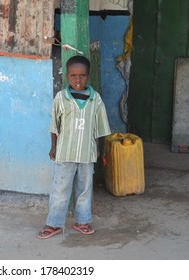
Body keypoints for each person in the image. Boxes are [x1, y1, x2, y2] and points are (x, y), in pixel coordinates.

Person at [37, 55, 111, 239]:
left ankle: (83, 221)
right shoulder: (61, 98)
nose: (78, 80)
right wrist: (53, 148)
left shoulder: (96, 100)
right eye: (73, 76)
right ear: (67, 76)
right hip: (65, 153)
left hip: (87, 154)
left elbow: (100, 128)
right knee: (60, 189)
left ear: (88, 76)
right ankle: (53, 223)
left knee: (84, 189)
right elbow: (55, 126)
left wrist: (100, 150)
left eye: (82, 75)